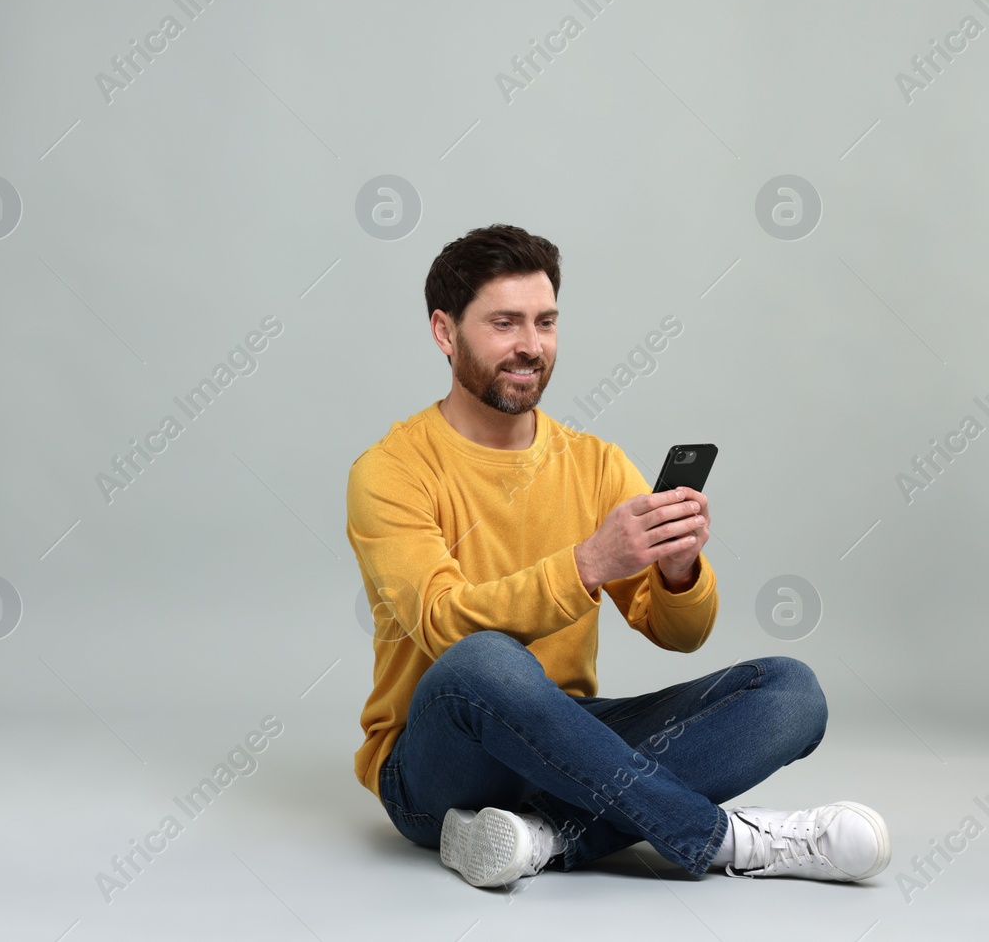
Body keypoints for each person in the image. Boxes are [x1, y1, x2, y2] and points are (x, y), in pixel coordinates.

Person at [346, 224, 889, 887]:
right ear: (444, 331)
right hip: (439, 766)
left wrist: (678, 569)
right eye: (505, 323)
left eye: (545, 321)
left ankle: (543, 837)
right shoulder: (390, 469)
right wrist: (588, 563)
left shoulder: (595, 462)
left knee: (790, 691)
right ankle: (731, 840)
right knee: (487, 659)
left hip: (571, 739)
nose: (531, 345)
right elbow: (441, 622)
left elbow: (681, 634)